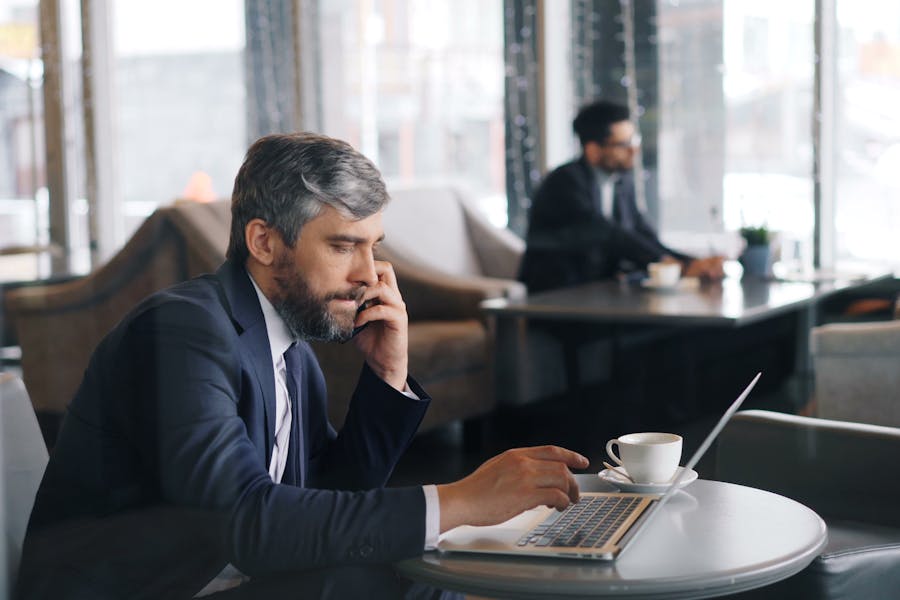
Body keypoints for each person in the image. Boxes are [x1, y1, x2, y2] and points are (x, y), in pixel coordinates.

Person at [17, 133, 589, 599]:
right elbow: (244, 522)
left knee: (409, 574)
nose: (370, 273)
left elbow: (330, 503)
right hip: (145, 589)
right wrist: (461, 499)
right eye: (344, 246)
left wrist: (387, 376)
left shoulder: (288, 345)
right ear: (264, 242)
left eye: (373, 245)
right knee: (390, 581)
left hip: (219, 577)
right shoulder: (181, 332)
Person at [518, 100, 723, 293]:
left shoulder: (620, 182)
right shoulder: (564, 182)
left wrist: (689, 261)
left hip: (599, 292)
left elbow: (641, 232)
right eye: (623, 144)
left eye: (634, 141)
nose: (634, 151)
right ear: (593, 150)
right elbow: (609, 233)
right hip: (558, 295)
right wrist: (673, 264)